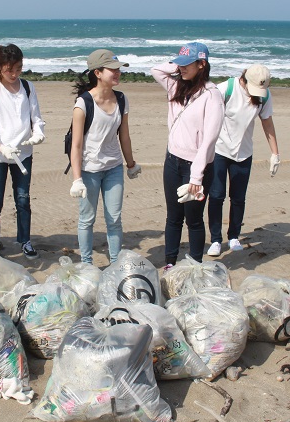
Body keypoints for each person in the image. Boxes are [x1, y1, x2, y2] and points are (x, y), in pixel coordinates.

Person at [151, 43, 223, 267]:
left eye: (186, 64)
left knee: (193, 219)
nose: (180, 69)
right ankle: (170, 264)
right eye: (178, 64)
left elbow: (209, 142)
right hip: (172, 161)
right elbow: (156, 70)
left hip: (197, 166)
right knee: (173, 217)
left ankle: (195, 265)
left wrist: (196, 178)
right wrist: (178, 62)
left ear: (202, 64)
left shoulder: (212, 96)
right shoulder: (175, 87)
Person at [68, 49, 141, 265]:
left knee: (114, 219)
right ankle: (87, 264)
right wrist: (77, 178)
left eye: (119, 69)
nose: (118, 73)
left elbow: (124, 136)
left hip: (114, 168)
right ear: (98, 73)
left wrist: (131, 164)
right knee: (86, 219)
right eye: (113, 69)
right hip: (89, 170)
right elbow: (76, 145)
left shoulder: (121, 99)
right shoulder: (83, 104)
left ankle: (116, 264)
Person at [0, 44, 45, 259]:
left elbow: (36, 117)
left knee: (23, 198)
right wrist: (1, 147)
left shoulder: (27, 87)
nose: (15, 74)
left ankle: (25, 240)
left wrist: (38, 133)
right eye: (10, 70)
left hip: (23, 152)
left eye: (18, 68)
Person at [206, 64, 280, 256]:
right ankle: (215, 239)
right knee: (216, 195)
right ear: (244, 80)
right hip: (219, 150)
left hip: (244, 153)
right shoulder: (225, 89)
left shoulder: (264, 96)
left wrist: (275, 153)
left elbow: (267, 123)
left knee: (238, 198)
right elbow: (205, 117)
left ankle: (233, 236)